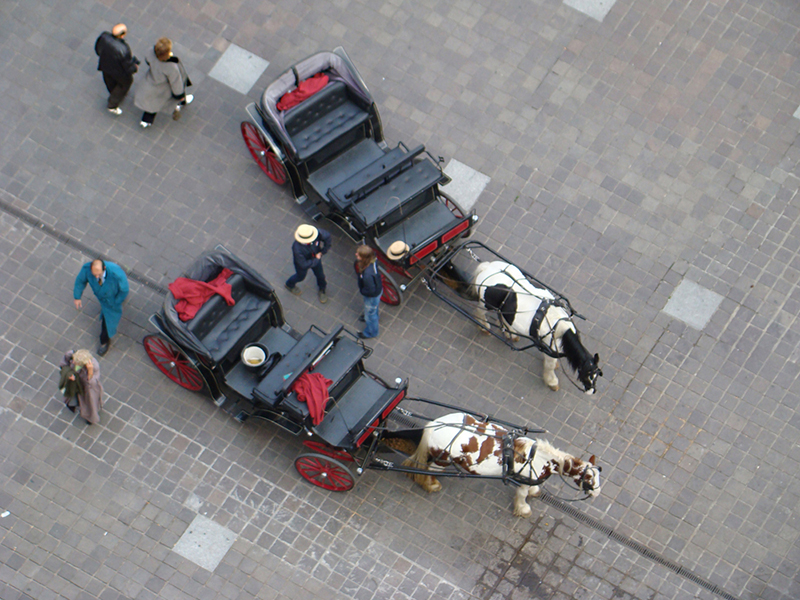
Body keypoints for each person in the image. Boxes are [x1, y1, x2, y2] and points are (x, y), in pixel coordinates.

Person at [73, 259, 129, 356]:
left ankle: (104, 341)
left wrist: (116, 302)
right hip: (102, 297)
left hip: (112, 301)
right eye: (94, 274)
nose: (96, 277)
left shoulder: (116, 273)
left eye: (98, 274)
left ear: (104, 268)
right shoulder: (87, 269)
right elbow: (80, 281)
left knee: (108, 323)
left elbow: (124, 290)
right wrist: (77, 296)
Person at [133, 37, 193, 128]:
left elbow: (148, 61)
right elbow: (176, 84)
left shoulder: (150, 52)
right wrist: (180, 96)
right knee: (156, 103)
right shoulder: (171, 67)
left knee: (151, 105)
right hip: (162, 88)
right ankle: (182, 102)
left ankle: (146, 121)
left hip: (150, 82)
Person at [94, 23, 140, 115]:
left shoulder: (104, 36)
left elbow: (98, 49)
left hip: (105, 66)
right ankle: (112, 104)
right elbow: (127, 65)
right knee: (125, 84)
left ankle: (113, 92)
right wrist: (134, 68)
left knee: (109, 82)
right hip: (119, 72)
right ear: (122, 35)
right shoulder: (124, 49)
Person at [285, 224, 331, 304]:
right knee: (300, 276)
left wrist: (324, 250)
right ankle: (289, 284)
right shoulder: (297, 249)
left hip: (315, 257)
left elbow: (327, 236)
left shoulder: (316, 233)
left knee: (320, 275)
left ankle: (322, 289)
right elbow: (303, 264)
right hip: (306, 261)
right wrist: (316, 259)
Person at [59, 350, 103, 425]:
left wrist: (90, 371)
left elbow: (91, 384)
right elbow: (63, 365)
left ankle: (90, 418)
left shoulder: (94, 367)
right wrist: (69, 374)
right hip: (75, 384)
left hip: (86, 389)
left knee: (90, 404)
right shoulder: (71, 355)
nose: (73, 362)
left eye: (76, 363)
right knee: (72, 398)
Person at [355, 246, 382, 339]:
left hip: (371, 296)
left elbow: (370, 290)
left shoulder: (367, 275)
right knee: (373, 309)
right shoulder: (373, 261)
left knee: (370, 316)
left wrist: (363, 291)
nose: (356, 255)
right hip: (378, 290)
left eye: (358, 255)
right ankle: (374, 315)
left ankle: (371, 333)